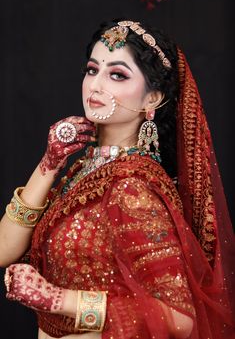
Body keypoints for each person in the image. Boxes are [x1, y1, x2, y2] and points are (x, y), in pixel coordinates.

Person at [0, 19, 234, 339]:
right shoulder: (83, 168)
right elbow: (3, 249)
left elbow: (181, 317)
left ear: (153, 99)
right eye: (92, 69)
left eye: (117, 75)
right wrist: (49, 163)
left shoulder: (131, 187)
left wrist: (60, 299)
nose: (96, 85)